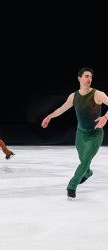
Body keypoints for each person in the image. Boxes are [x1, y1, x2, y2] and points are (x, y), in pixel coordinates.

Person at [41, 67, 108, 199]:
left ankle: (72, 185)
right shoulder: (74, 96)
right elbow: (62, 108)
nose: (89, 79)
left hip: (95, 135)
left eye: (91, 77)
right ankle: (87, 173)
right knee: (84, 162)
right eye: (86, 76)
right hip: (80, 136)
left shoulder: (97, 94)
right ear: (79, 78)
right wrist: (49, 116)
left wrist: (105, 117)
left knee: (86, 159)